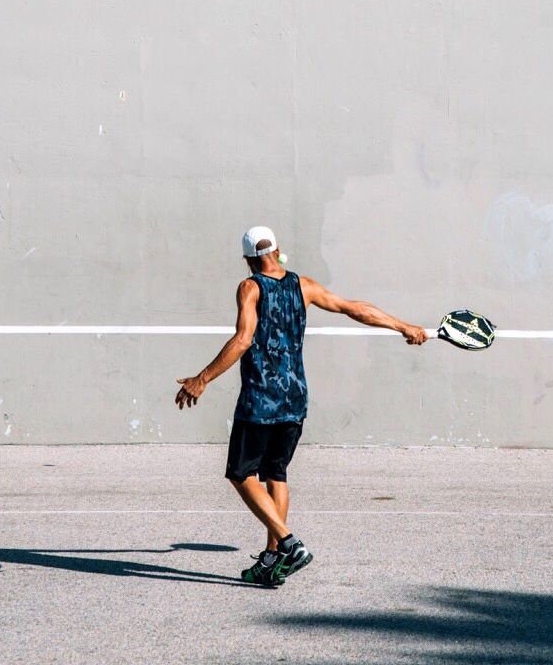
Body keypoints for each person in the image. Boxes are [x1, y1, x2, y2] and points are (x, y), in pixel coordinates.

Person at [174, 225, 428, 587]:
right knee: (275, 475)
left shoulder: (250, 287)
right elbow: (354, 308)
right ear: (279, 251)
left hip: (261, 400)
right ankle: (271, 557)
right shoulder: (304, 285)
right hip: (295, 397)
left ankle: (289, 543)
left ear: (248, 260)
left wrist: (202, 378)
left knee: (240, 474)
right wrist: (403, 326)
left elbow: (244, 338)